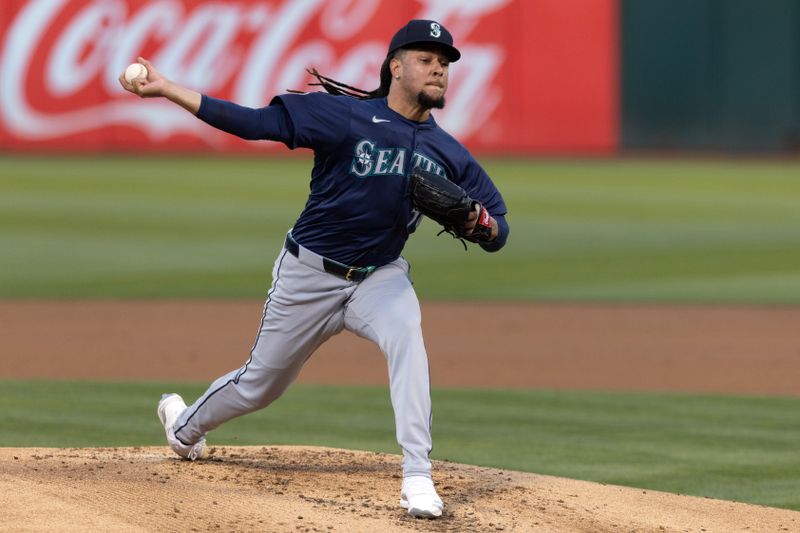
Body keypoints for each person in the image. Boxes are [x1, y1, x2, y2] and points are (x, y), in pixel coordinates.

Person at [119, 19, 509, 519]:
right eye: (425, 59)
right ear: (394, 66)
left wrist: (480, 223)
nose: (438, 68)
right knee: (260, 385)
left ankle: (417, 475)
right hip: (309, 275)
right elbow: (254, 122)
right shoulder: (342, 117)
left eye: (444, 63)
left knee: (407, 336)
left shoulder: (448, 153)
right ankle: (183, 428)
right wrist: (169, 89)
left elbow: (498, 226)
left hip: (379, 277)